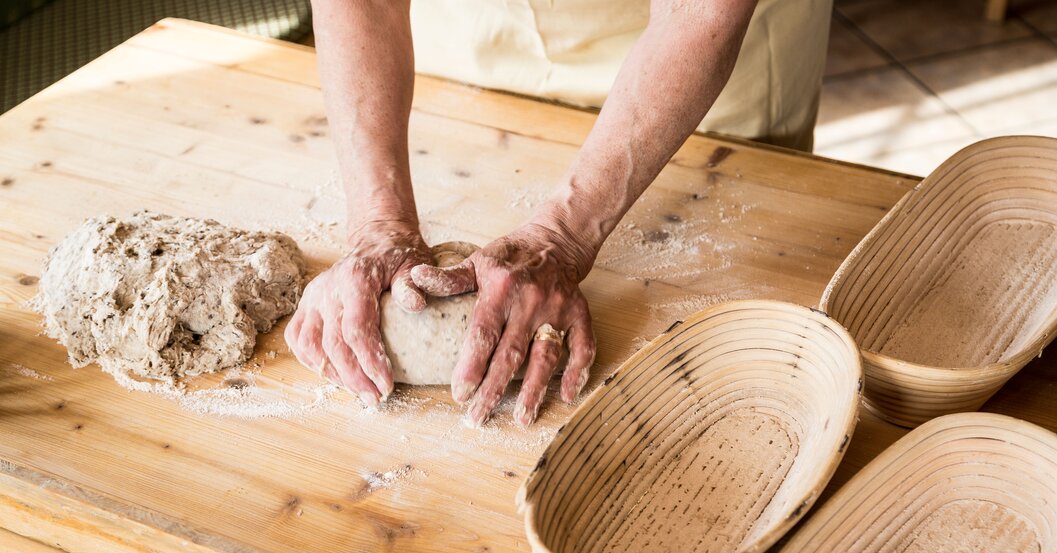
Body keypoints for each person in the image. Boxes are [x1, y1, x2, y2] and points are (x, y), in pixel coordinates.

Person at [285, 0, 832, 427]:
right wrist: (379, 222)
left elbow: (700, 12)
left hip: (695, 88)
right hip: (483, 55)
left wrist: (562, 235)